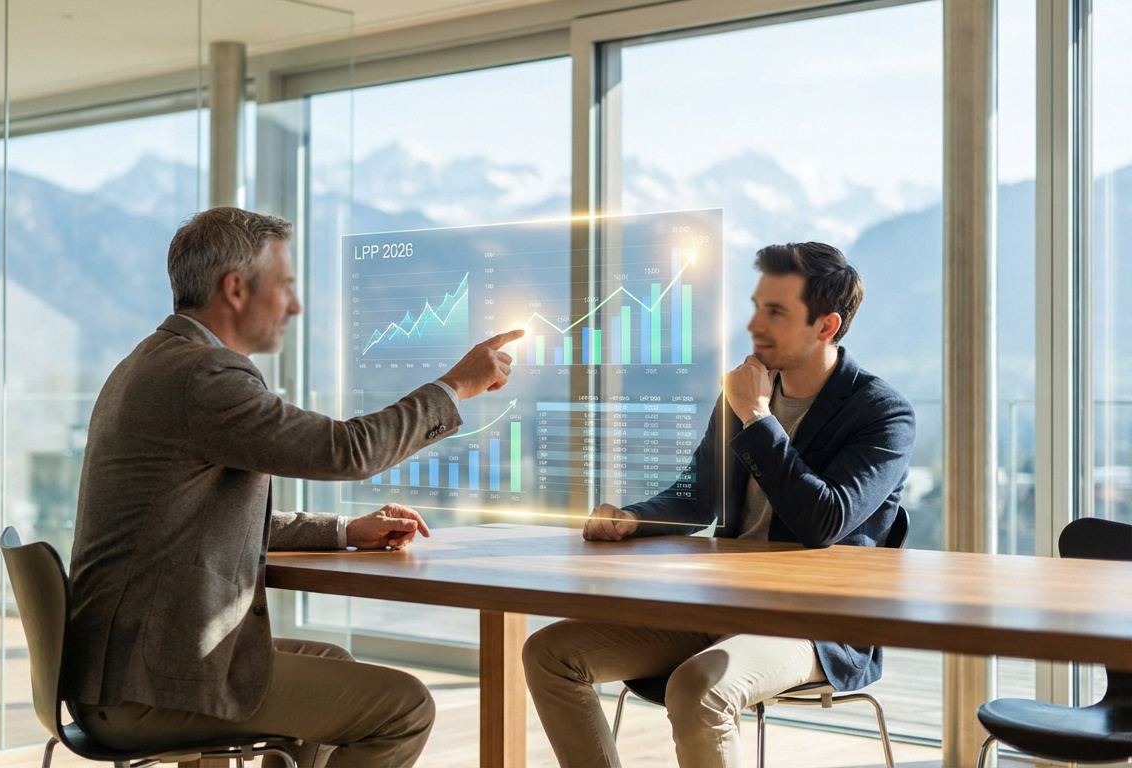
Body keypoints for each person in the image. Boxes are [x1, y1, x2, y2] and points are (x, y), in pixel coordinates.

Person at [66, 206, 523, 768]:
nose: (295, 304)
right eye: (284, 286)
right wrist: (455, 386)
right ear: (236, 289)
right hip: (152, 684)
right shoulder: (205, 377)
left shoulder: (149, 362)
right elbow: (347, 450)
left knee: (334, 660)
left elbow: (197, 519)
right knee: (403, 709)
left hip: (125, 666)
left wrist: (347, 530)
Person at [522, 242, 915, 768]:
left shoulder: (882, 413)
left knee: (696, 688)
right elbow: (698, 496)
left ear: (826, 326)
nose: (756, 325)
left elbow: (824, 521)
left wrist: (757, 417)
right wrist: (634, 519)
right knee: (550, 653)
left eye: (776, 312)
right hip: (720, 604)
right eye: (756, 306)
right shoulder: (741, 393)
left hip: (817, 625)